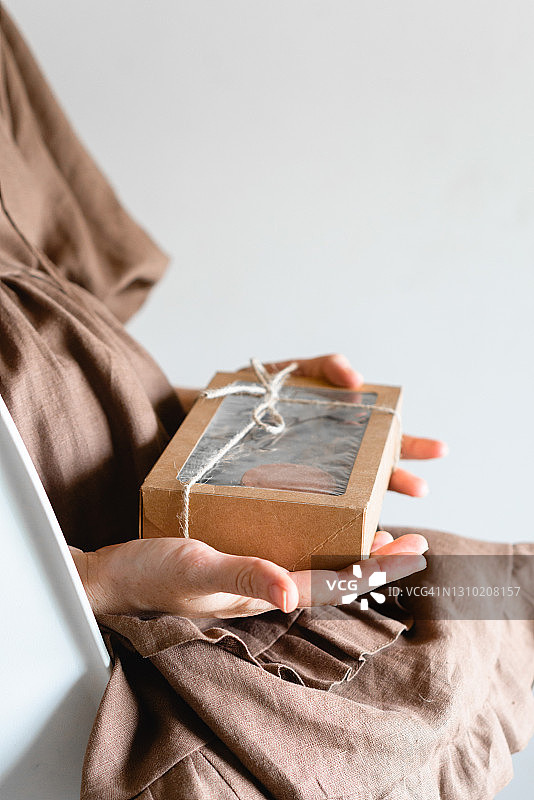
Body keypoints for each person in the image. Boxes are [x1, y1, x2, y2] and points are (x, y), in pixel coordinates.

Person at [1, 5, 533, 798]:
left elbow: (56, 354)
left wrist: (222, 411)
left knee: (502, 591)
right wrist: (95, 583)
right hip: (92, 638)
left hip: (189, 541)